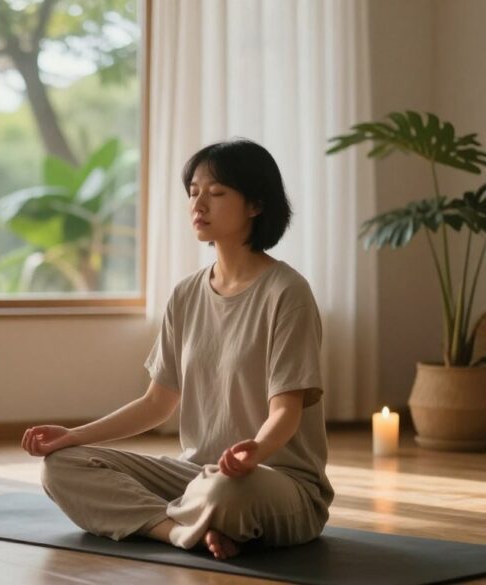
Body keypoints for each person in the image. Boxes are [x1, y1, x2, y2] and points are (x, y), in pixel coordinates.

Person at [21, 139, 332, 561]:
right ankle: (179, 532)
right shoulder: (186, 294)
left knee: (223, 490)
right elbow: (156, 403)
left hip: (273, 481)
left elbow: (286, 412)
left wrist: (255, 451)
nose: (198, 204)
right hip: (194, 476)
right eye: (193, 192)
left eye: (216, 193)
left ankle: (186, 517)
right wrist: (73, 436)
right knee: (61, 466)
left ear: (256, 205)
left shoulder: (287, 293)